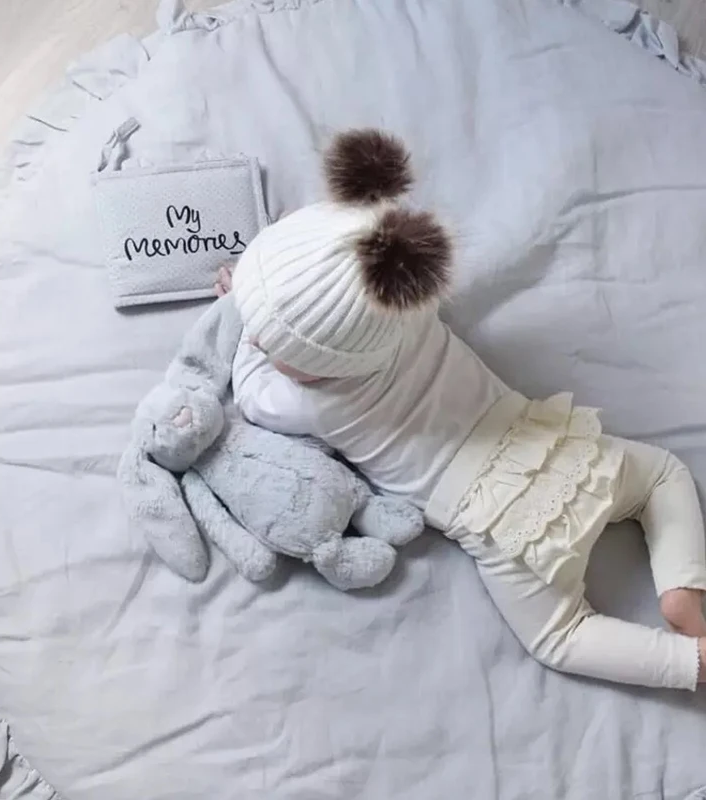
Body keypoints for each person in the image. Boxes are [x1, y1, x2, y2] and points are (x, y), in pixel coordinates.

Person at [216, 128, 706, 691]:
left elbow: (249, 395)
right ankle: (683, 595)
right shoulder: (410, 309)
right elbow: (354, 241)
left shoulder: (314, 404)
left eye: (271, 347)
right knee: (662, 474)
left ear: (318, 369)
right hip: (556, 448)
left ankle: (691, 662)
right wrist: (298, 259)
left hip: (499, 526)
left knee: (561, 637)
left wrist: (237, 318)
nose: (259, 347)